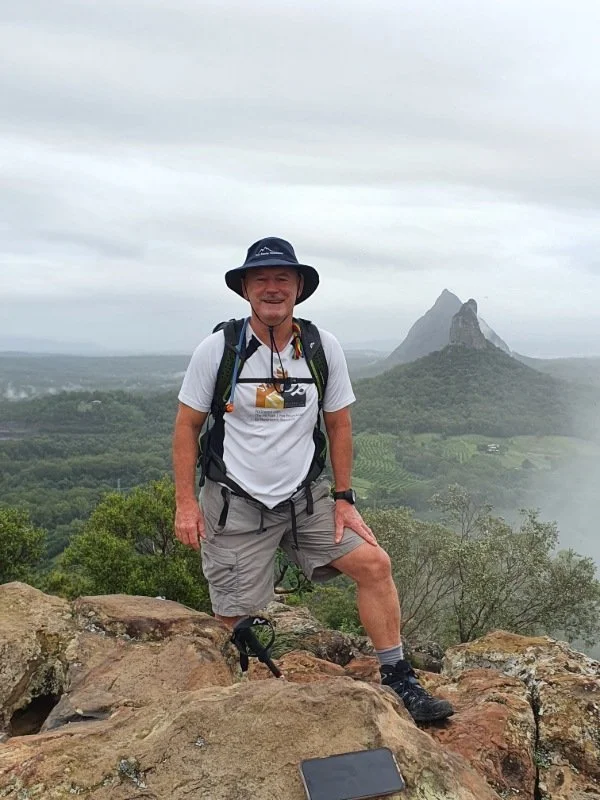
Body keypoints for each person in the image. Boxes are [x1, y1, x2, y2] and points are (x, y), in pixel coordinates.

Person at [173, 237, 453, 723]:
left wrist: (344, 499)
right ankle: (226, 711)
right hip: (235, 504)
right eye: (261, 279)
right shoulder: (219, 349)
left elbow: (339, 423)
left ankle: (400, 678)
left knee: (374, 565)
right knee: (231, 617)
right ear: (245, 289)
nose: (272, 288)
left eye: (283, 278)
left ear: (299, 287)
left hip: (306, 501)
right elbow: (187, 425)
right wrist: (185, 503)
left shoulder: (320, 349)